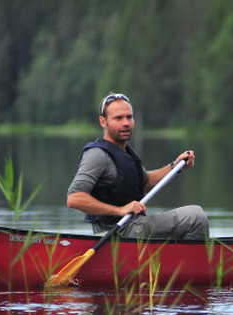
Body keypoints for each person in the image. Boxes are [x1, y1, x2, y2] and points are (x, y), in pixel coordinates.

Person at [66, 92, 210, 240]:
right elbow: (74, 198)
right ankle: (193, 261)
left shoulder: (126, 152)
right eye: (118, 118)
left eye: (129, 117)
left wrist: (176, 166)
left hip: (134, 225)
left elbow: (145, 182)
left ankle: (177, 260)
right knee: (195, 217)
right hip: (119, 230)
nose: (126, 123)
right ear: (103, 121)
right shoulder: (97, 154)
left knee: (193, 217)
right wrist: (120, 210)